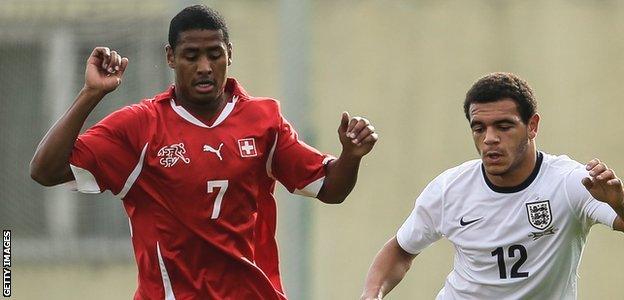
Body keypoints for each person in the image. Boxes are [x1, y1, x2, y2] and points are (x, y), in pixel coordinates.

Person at [30, 5, 378, 300]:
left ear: (230, 54)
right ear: (170, 57)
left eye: (214, 54)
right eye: (191, 56)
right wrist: (91, 94)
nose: (204, 67)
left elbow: (330, 188)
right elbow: (45, 171)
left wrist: (351, 155)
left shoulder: (263, 121)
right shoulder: (141, 126)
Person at [360, 72, 624, 299]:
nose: (490, 139)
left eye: (504, 126)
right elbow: (400, 250)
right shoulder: (449, 189)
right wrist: (372, 294)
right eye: (479, 128)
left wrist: (618, 202)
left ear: (532, 126)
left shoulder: (571, 182)